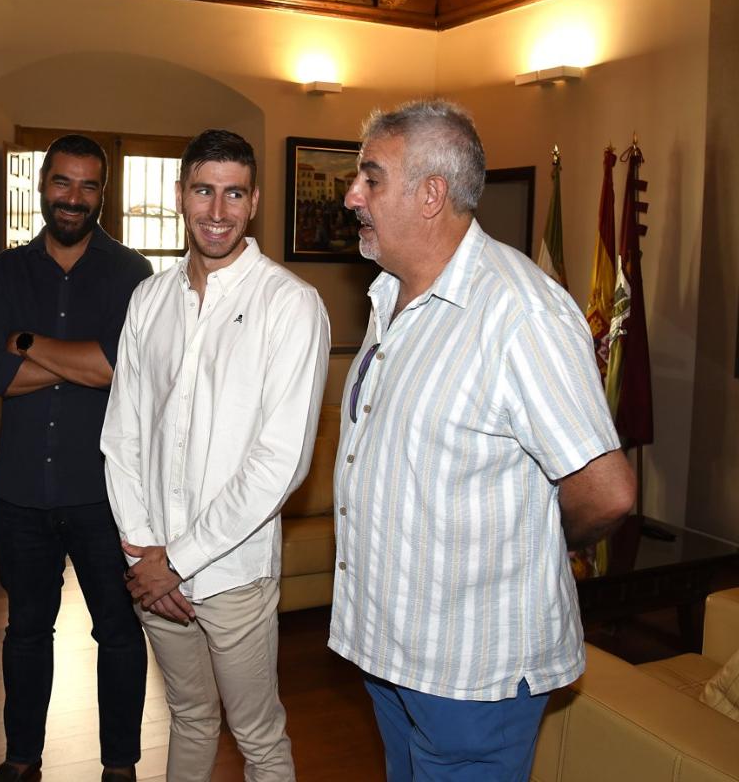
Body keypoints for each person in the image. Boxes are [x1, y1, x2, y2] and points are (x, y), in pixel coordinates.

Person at [328, 100, 636, 781]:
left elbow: (607, 493)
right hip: (392, 650)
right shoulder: (392, 298)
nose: (353, 196)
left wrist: (533, 544)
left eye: (371, 178)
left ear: (431, 194)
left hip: (471, 674)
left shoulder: (518, 313)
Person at [101, 129, 331, 781]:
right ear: (181, 196)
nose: (218, 210)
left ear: (253, 200)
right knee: (190, 716)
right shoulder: (150, 298)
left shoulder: (290, 305)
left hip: (232, 574)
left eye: (234, 193)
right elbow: (122, 434)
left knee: (257, 736)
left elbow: (281, 462)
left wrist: (175, 561)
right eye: (204, 191)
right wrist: (144, 553)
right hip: (153, 568)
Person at [0, 134, 152, 782]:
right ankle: (22, 760)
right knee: (25, 633)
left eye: (88, 185)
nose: (73, 198)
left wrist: (28, 343)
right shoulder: (5, 272)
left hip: (104, 493)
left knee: (120, 635)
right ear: (42, 184)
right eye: (62, 183)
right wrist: (78, 361)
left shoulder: (132, 275)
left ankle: (121, 766)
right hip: (19, 492)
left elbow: (123, 369)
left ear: (104, 193)